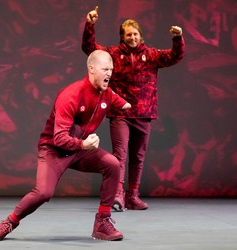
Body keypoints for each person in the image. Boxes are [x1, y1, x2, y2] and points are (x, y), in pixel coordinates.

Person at [0, 50, 131, 241]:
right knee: (44, 193)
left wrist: (131, 106)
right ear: (91, 68)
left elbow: (123, 104)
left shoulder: (106, 93)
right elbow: (59, 138)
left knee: (112, 164)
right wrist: (82, 144)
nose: (109, 74)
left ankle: (102, 223)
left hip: (80, 149)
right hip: (54, 150)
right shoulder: (71, 95)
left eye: (111, 70)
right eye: (105, 69)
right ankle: (9, 222)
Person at [82, 6, 185, 211]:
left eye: (135, 34)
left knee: (138, 157)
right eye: (129, 34)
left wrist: (178, 38)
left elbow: (174, 57)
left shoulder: (151, 55)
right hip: (121, 113)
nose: (133, 37)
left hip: (144, 113)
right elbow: (90, 48)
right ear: (123, 36)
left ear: (141, 36)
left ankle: (133, 197)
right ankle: (118, 195)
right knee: (120, 155)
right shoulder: (111, 54)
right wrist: (90, 25)